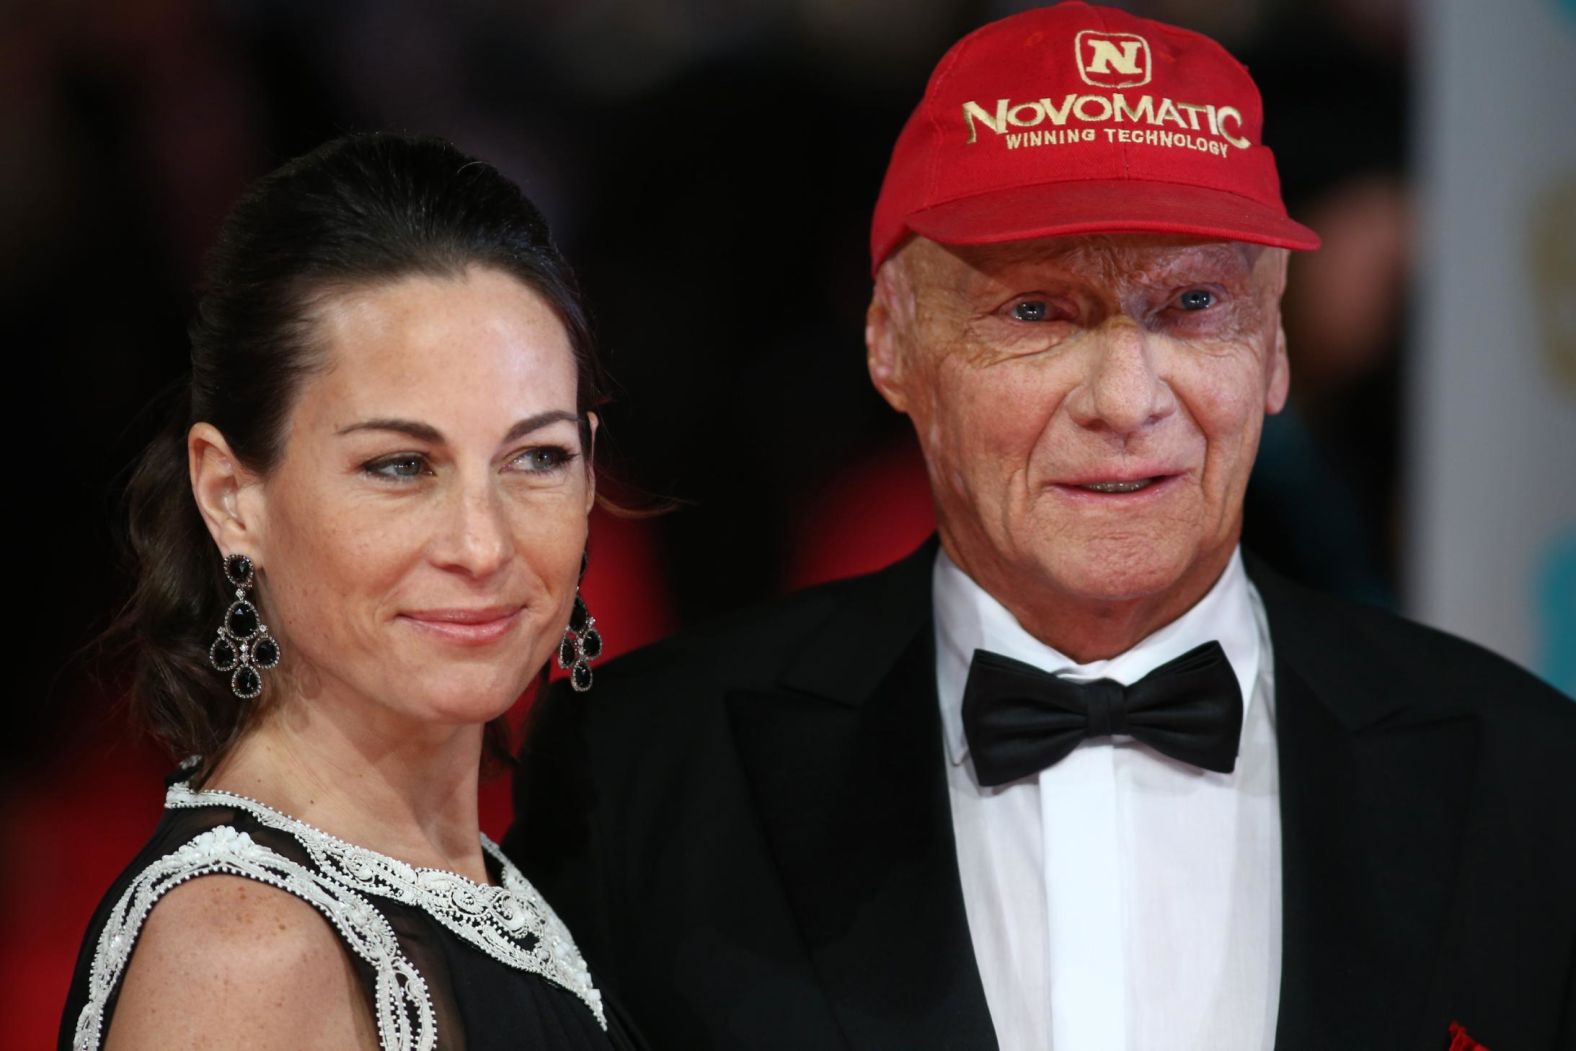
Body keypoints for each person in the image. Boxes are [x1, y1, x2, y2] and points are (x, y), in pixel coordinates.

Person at [504, 4, 1576, 1050]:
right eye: (1036, 312)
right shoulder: (644, 773)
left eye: (1195, 305)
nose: (1126, 398)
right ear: (892, 341)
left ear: (1276, 348)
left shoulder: (1526, 775)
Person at [61, 133, 644, 1051]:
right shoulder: (246, 955)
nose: (482, 543)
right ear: (230, 496)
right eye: (401, 465)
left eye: (537, 457)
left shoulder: (472, 876)